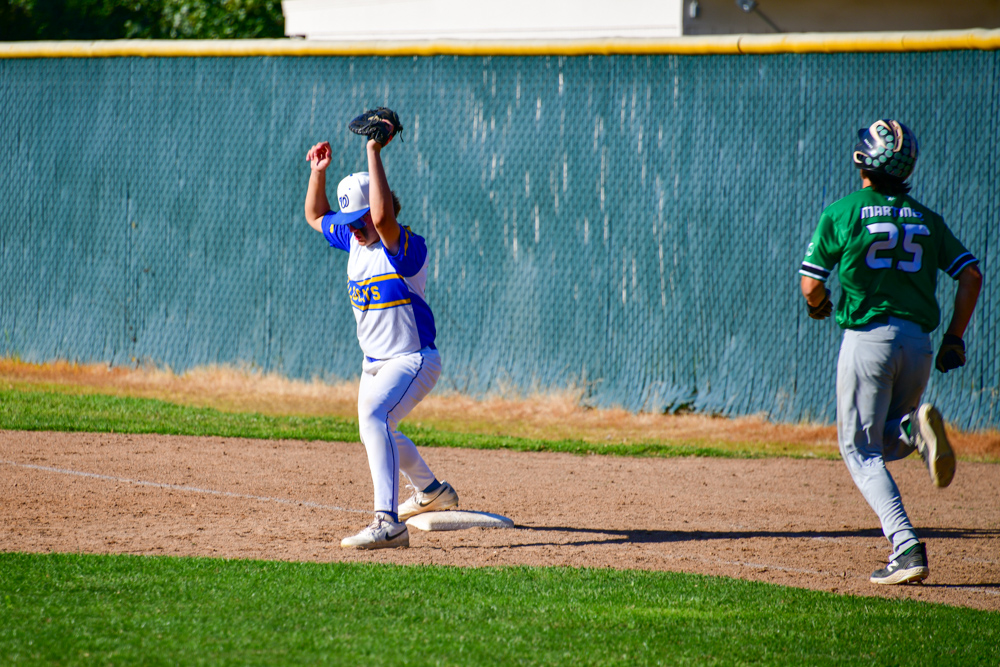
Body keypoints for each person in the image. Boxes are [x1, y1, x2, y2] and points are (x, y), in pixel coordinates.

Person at [799, 119, 982, 585]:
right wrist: (954, 337)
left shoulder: (843, 211)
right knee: (883, 439)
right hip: (918, 344)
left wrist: (818, 306)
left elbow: (811, 285)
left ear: (863, 158)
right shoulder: (926, 218)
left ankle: (905, 546)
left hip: (868, 341)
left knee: (859, 450)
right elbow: (971, 274)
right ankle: (911, 428)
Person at [303, 124, 459, 550]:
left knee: (376, 419)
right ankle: (431, 491)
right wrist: (318, 172)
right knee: (376, 429)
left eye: (361, 219)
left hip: (413, 359)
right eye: (350, 221)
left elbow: (383, 219)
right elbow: (315, 216)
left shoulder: (405, 247)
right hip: (373, 364)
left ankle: (387, 523)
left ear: (378, 208)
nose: (354, 228)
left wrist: (374, 150)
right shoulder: (355, 242)